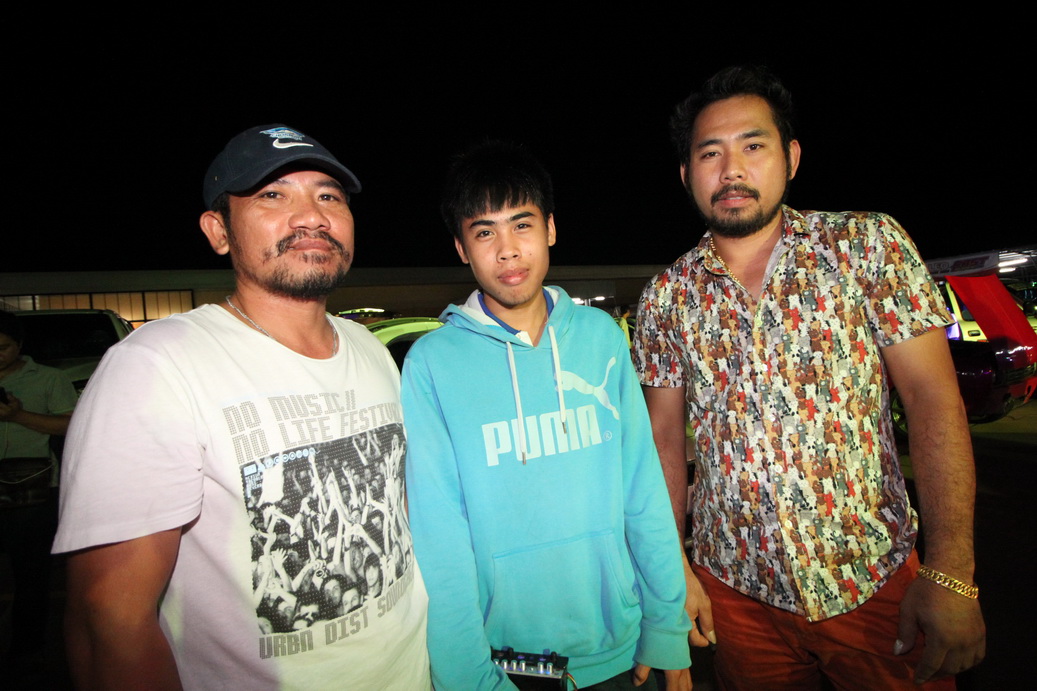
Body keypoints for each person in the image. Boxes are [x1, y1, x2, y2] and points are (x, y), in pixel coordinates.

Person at [634, 66, 986, 690]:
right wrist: (675, 573)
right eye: (710, 153)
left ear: (791, 157)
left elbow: (933, 400)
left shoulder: (866, 245)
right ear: (686, 174)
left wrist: (952, 572)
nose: (731, 169)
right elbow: (663, 441)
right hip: (736, 594)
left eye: (753, 145)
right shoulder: (666, 297)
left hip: (874, 580)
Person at [53, 124, 431, 690]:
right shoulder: (156, 366)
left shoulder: (369, 350)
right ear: (218, 231)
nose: (312, 216)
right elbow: (109, 622)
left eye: (329, 196)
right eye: (273, 195)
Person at [403, 141, 691, 690]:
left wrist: (667, 626)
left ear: (551, 229)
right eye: (484, 232)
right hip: (507, 665)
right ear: (461, 248)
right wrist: (467, 679)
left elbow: (643, 492)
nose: (508, 250)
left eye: (522, 224)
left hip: (626, 650)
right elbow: (439, 539)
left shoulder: (602, 339)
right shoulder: (432, 365)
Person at [0, 310, 76, 662]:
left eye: (3, 347)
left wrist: (18, 416)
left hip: (33, 488)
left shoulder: (48, 379)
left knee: (30, 575)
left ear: (19, 345)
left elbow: (70, 425)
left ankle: (26, 651)